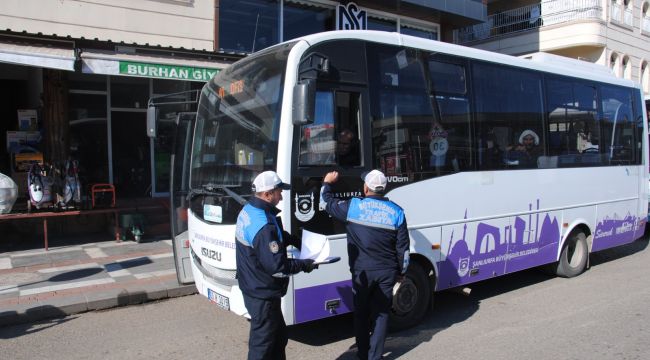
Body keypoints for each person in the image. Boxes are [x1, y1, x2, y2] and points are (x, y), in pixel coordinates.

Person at [320, 169, 410, 360]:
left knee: (361, 314)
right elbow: (403, 248)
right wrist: (401, 272)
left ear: (366, 188)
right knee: (382, 314)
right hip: (387, 272)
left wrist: (327, 183)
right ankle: (375, 356)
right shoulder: (397, 212)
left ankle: (363, 354)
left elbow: (325, 202)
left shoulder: (354, 207)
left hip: (362, 273)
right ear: (384, 189)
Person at [235, 170, 318, 360]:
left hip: (254, 286)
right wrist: (305, 264)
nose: (281, 196)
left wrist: (295, 241)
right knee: (262, 345)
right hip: (262, 292)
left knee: (279, 337)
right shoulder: (263, 225)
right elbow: (277, 266)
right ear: (267, 194)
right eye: (279, 191)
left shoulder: (251, 209)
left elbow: (277, 236)